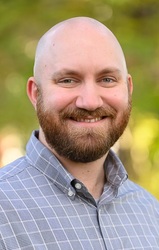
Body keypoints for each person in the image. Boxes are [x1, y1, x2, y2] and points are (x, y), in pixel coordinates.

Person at [0, 16, 158, 250]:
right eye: (68, 80)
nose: (90, 102)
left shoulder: (150, 212)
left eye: (107, 79)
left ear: (128, 89)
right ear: (35, 93)